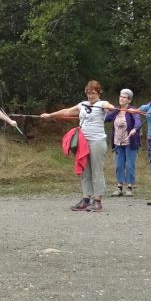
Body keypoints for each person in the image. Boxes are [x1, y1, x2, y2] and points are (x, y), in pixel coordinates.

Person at [41, 80, 122, 212]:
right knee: (84, 170)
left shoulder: (102, 104)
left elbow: (109, 106)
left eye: (94, 93)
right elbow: (67, 111)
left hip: (97, 141)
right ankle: (85, 199)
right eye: (89, 93)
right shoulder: (82, 105)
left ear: (98, 93)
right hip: (83, 141)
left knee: (97, 170)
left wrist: (111, 107)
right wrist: (50, 115)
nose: (91, 96)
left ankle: (97, 201)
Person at [107, 88, 142, 197]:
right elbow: (107, 118)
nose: (121, 98)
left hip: (130, 142)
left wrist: (134, 129)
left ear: (129, 100)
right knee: (119, 165)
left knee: (130, 165)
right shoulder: (116, 110)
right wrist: (109, 109)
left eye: (124, 97)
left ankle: (130, 187)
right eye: (120, 96)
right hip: (118, 142)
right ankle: (119, 187)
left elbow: (138, 121)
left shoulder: (132, 110)